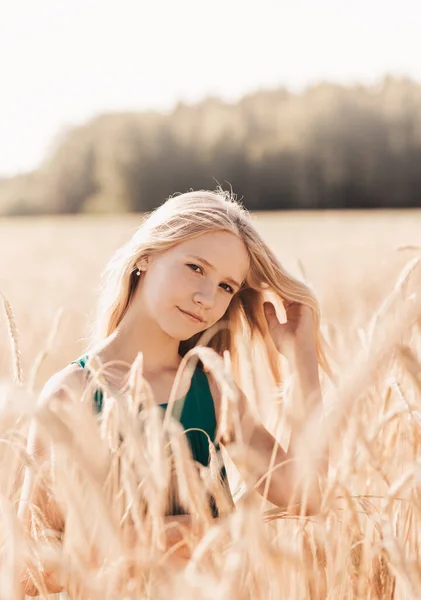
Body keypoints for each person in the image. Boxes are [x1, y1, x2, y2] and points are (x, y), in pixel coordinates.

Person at [18, 189, 333, 596]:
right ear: (147, 255)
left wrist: (302, 358)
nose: (206, 298)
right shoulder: (72, 394)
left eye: (225, 287)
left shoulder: (213, 388)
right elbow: (26, 569)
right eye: (195, 268)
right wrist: (156, 538)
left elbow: (306, 495)